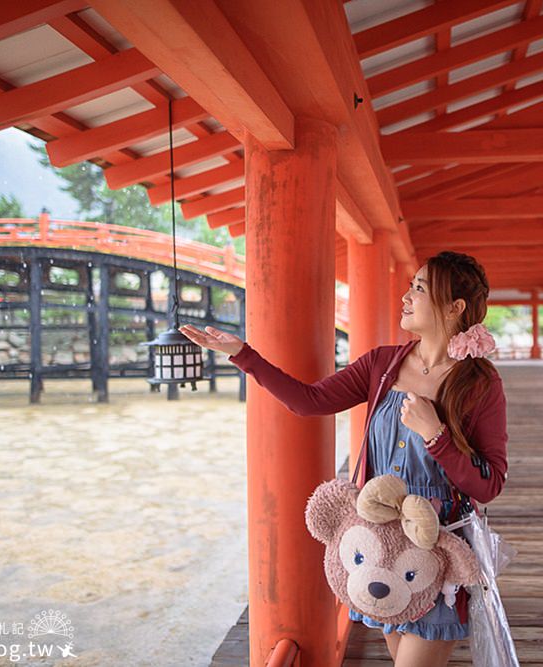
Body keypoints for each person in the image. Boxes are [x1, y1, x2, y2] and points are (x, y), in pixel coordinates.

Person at [179, 250, 509, 667]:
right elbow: (309, 401)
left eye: (420, 288)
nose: (407, 296)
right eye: (409, 286)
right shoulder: (383, 364)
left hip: (437, 550)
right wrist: (243, 354)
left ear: (454, 307)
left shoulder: (480, 383)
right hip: (379, 546)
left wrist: (436, 435)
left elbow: (489, 483)